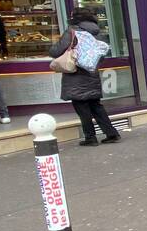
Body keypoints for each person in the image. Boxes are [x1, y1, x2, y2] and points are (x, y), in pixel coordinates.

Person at [49, 9, 120, 146]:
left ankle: (90, 138)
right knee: (96, 106)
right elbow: (101, 54)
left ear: (75, 18)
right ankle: (111, 133)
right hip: (92, 73)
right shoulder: (97, 32)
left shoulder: (72, 32)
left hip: (76, 75)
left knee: (82, 108)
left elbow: (55, 51)